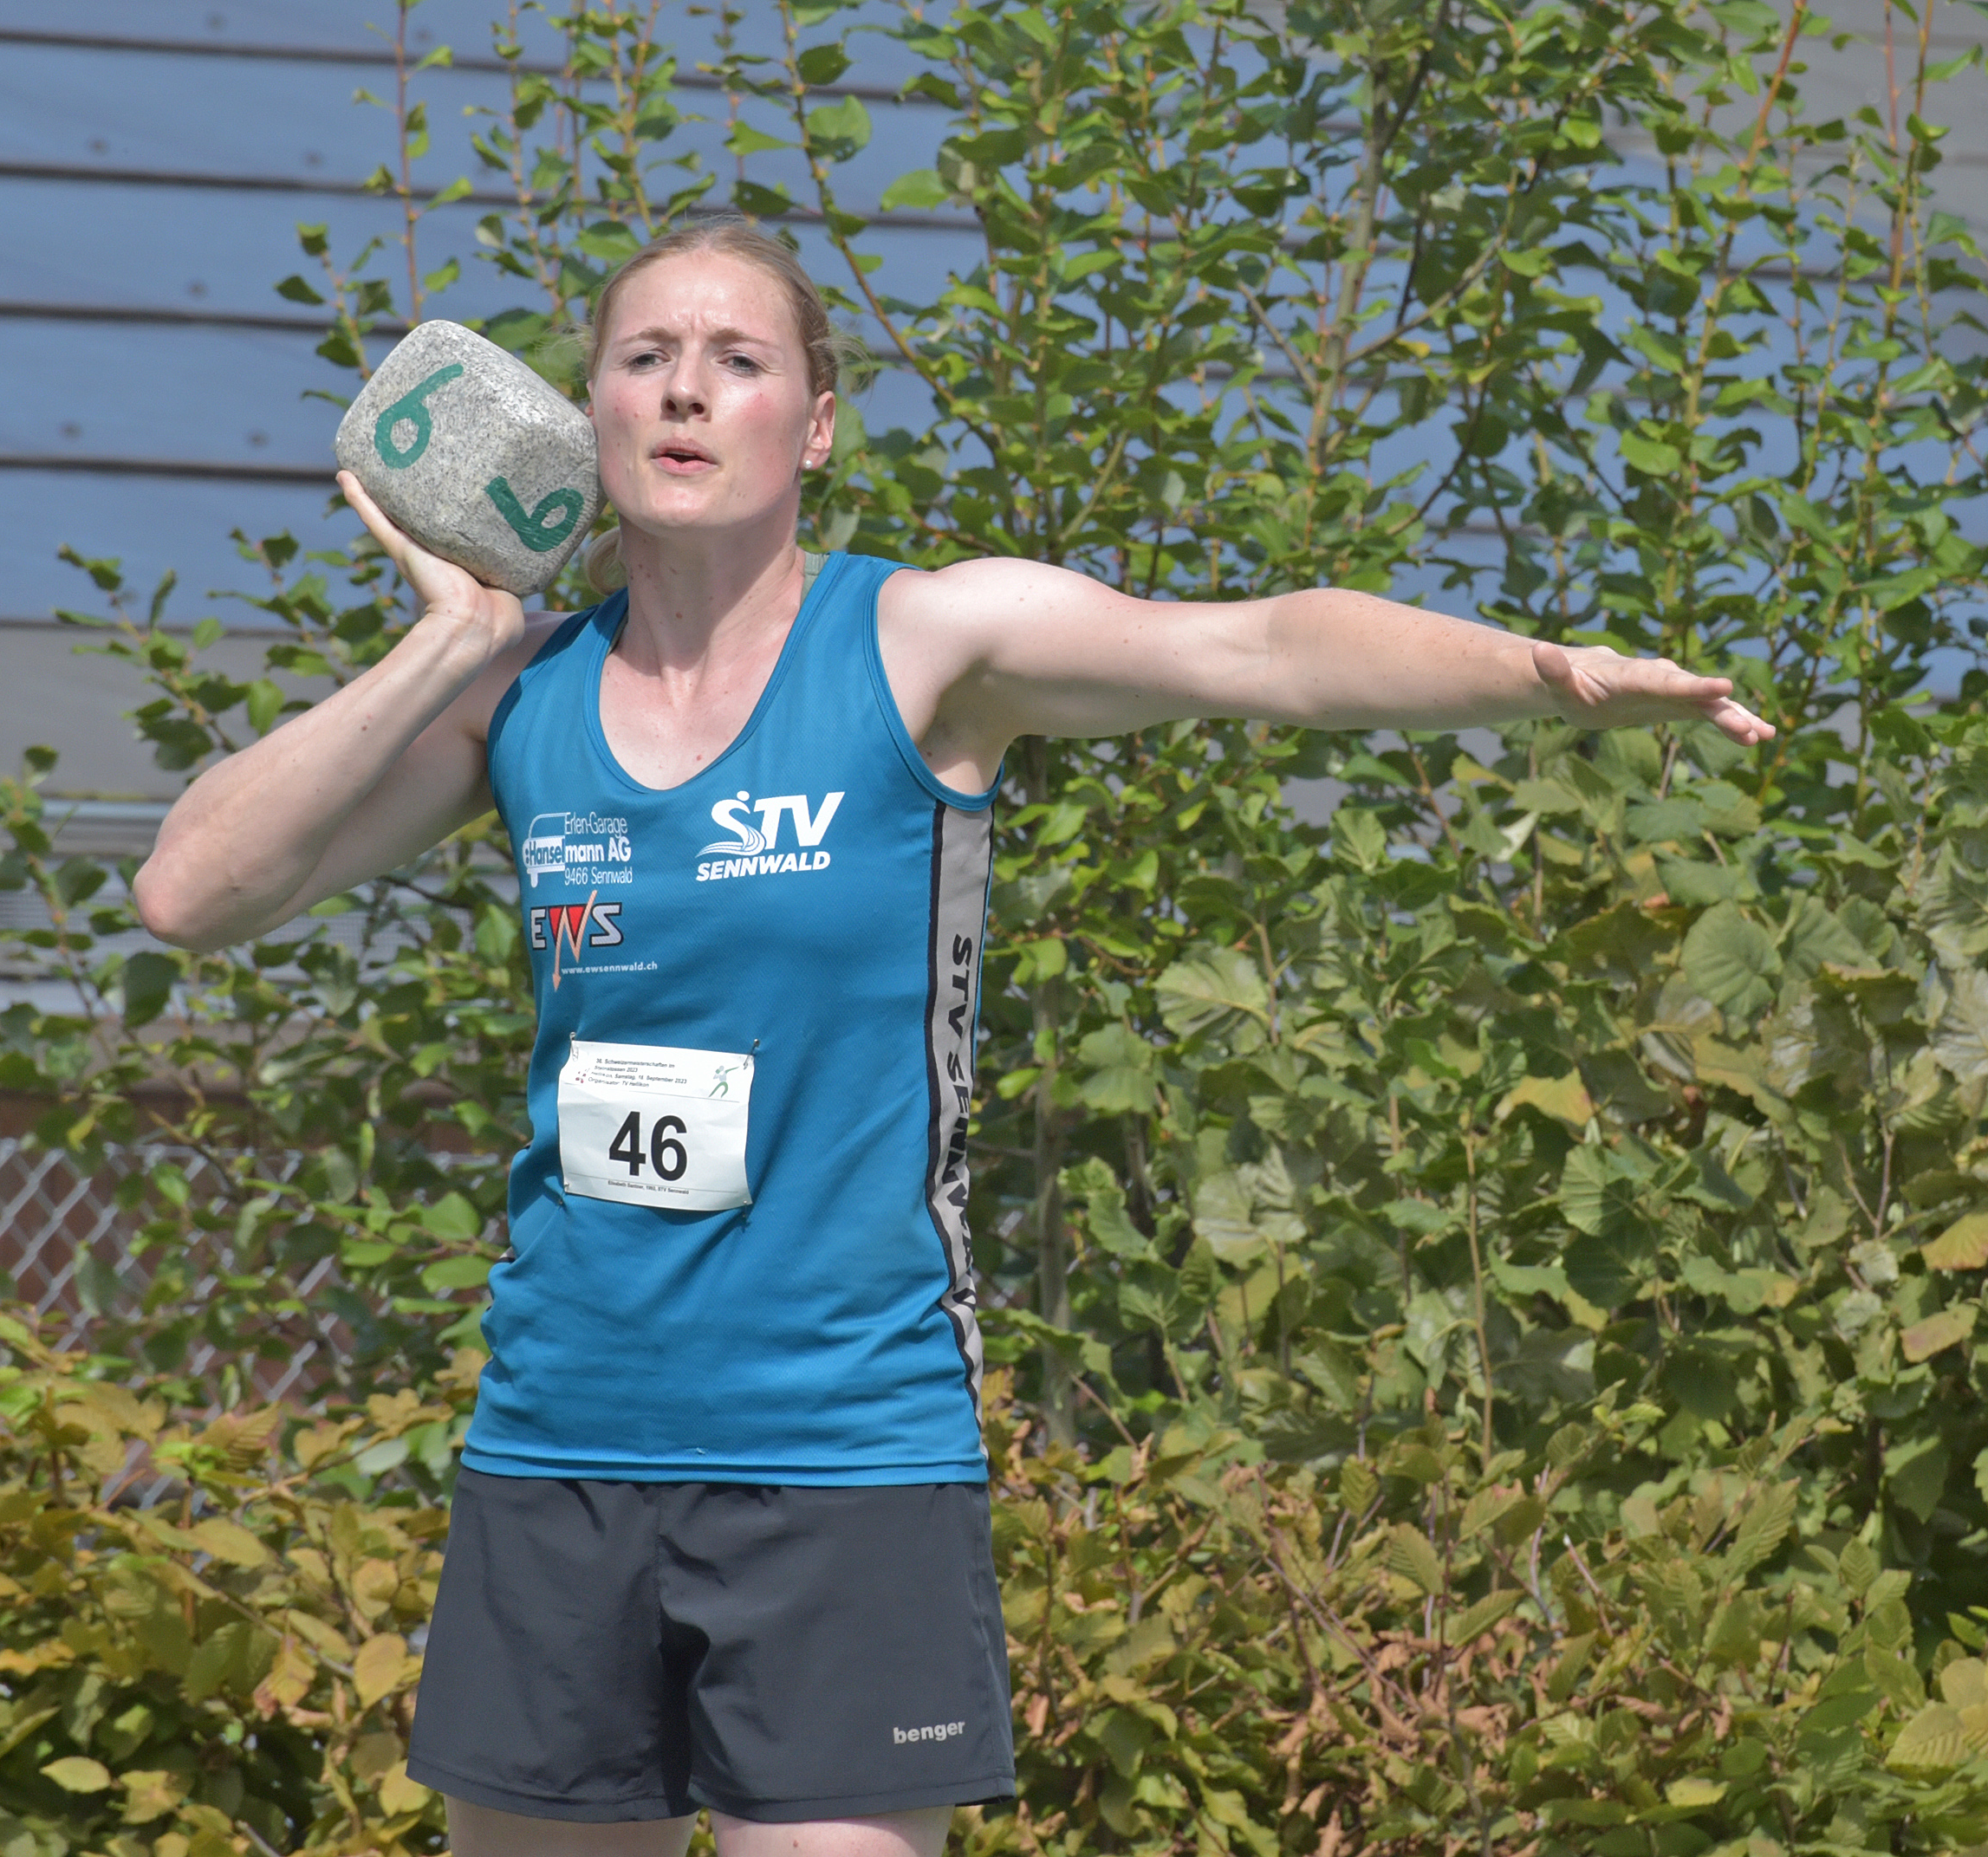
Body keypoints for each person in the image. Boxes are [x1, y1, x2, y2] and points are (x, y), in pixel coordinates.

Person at [133, 216, 1772, 1857]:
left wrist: (1549, 674)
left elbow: (1257, 642)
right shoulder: (523, 695)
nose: (685, 392)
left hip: (843, 1451)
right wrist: (451, 641)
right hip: (558, 1440)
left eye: (737, 361)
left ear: (816, 424)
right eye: (645, 359)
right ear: (590, 414)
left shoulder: (924, 646)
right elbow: (193, 892)